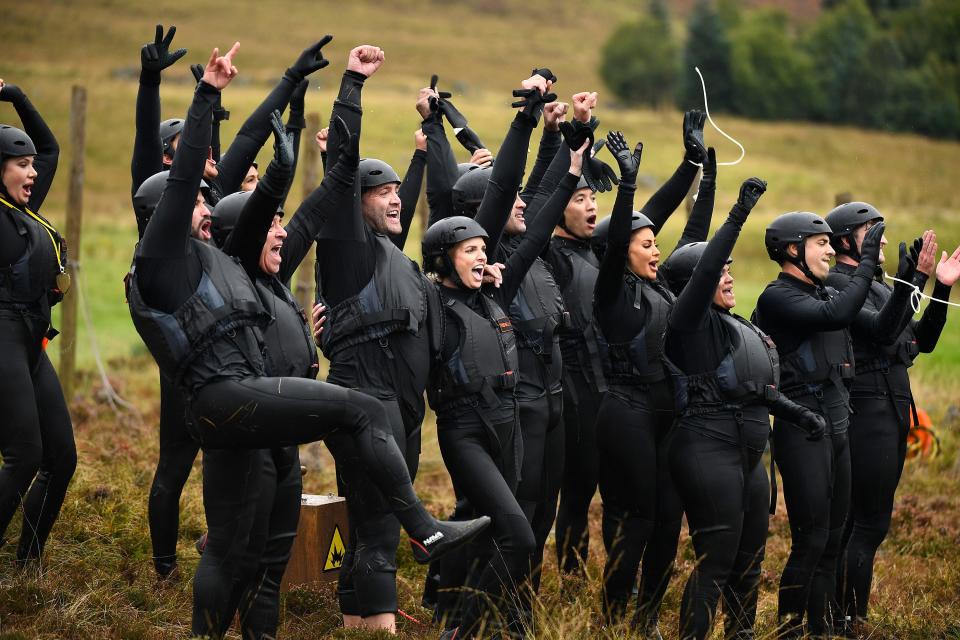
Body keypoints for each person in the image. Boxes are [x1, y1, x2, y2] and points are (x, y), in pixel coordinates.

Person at [123, 43, 489, 637]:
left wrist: (303, 152)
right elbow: (192, 168)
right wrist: (207, 95)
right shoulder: (162, 257)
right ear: (161, 211)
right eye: (191, 200)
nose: (202, 202)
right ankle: (423, 529)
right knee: (356, 412)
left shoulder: (231, 262)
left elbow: (320, 202)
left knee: (266, 555)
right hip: (220, 398)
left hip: (252, 405)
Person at [420, 69, 579, 639]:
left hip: (514, 415)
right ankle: (456, 619)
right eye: (471, 247)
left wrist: (573, 156)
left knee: (518, 525)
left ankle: (493, 619)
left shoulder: (497, 287)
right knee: (498, 524)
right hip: (465, 427)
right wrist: (525, 115)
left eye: (483, 248)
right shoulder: (433, 297)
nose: (483, 255)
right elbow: (508, 183)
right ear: (448, 252)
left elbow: (534, 227)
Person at [527, 102, 708, 579]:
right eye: (579, 198)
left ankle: (615, 576)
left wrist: (692, 164)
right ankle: (569, 577)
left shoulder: (604, 251)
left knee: (617, 495)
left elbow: (653, 216)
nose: (590, 205)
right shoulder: (550, 252)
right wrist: (569, 137)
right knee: (579, 487)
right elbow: (539, 192)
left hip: (618, 389)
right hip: (574, 391)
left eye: (593, 199)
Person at [662, 178, 829, 640]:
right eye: (721, 273)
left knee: (750, 562)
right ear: (695, 286)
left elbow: (758, 388)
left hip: (748, 454)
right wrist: (737, 214)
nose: (729, 277)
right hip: (706, 449)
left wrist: (800, 415)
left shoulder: (736, 327)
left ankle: (741, 635)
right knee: (716, 559)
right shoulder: (687, 325)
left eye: (733, 271)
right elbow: (706, 267)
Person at [311, 46, 430, 633]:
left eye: (397, 192)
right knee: (381, 524)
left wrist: (421, 154)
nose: (395, 198)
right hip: (365, 402)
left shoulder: (392, 258)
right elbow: (344, 163)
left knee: (368, 520)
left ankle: (355, 622)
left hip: (400, 408)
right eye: (381, 193)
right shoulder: (345, 252)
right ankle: (376, 628)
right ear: (354, 203)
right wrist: (353, 85)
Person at [591, 130, 715, 634]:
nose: (657, 250)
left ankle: (645, 619)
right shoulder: (612, 294)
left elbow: (694, 238)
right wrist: (625, 184)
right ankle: (612, 613)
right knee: (639, 519)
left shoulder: (660, 286)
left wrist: (699, 167)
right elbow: (622, 234)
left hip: (669, 416)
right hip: (627, 414)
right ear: (624, 252)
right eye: (647, 244)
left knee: (669, 521)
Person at [824, 202, 960, 634]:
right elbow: (881, 331)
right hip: (867, 411)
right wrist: (914, 280)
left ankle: (837, 618)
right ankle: (849, 621)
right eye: (872, 230)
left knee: (858, 524)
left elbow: (921, 340)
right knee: (867, 524)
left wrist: (939, 287)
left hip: (890, 410)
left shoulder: (881, 288)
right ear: (846, 241)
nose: (884, 237)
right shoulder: (837, 285)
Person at [753, 210, 887, 638]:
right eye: (820, 243)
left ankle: (823, 631)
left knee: (832, 543)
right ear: (793, 250)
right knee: (810, 541)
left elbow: (845, 313)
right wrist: (866, 260)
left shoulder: (821, 293)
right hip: (802, 431)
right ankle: (789, 631)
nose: (830, 249)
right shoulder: (779, 296)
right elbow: (837, 315)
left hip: (838, 426)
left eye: (832, 242)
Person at [0, 79, 76, 567]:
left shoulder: (25, 206)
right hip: (2, 335)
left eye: (31, 167)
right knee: (24, 455)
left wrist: (16, 95)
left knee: (61, 458)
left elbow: (49, 146)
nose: (33, 171)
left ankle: (27, 561)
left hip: (31, 341)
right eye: (21, 164)